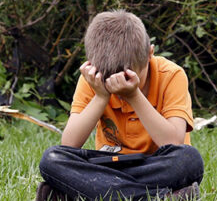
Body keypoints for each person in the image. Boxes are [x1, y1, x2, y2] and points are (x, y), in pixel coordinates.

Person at [37, 10, 204, 200]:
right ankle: (156, 197)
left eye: (128, 77)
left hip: (155, 164)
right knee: (52, 159)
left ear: (150, 53)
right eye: (109, 79)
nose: (118, 86)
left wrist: (134, 96)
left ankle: (83, 192)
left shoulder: (172, 75)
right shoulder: (92, 80)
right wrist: (101, 96)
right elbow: (69, 143)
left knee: (189, 160)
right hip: (109, 164)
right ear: (92, 65)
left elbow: (173, 141)